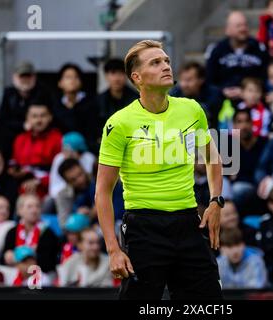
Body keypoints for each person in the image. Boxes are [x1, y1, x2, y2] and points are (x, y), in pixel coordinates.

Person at [96, 40, 224, 300]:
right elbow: (103, 191)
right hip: (143, 228)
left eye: (166, 60)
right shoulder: (119, 123)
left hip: (189, 223)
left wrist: (215, 201)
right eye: (156, 62)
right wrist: (113, 249)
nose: (166, 66)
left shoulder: (191, 109)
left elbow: (213, 158)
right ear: (137, 77)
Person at [206, 11, 268, 101]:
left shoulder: (259, 48)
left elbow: (265, 77)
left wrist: (247, 91)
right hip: (222, 98)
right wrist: (222, 91)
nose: (243, 29)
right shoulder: (217, 50)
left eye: (245, 25)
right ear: (227, 30)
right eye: (238, 26)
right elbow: (210, 80)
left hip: (254, 99)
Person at [8, 101, 62, 198]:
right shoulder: (20, 139)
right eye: (34, 116)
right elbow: (14, 162)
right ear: (27, 119)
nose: (38, 120)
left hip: (47, 191)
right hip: (20, 187)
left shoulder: (57, 139)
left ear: (50, 117)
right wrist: (14, 171)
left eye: (43, 116)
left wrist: (39, 181)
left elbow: (61, 171)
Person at [2, 194, 59, 274]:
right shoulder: (12, 232)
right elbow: (5, 257)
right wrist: (7, 257)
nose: (34, 210)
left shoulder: (48, 233)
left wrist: (23, 261)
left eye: (37, 206)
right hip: (15, 272)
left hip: (39, 274)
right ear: (19, 211)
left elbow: (49, 262)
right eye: (30, 207)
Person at [226, 109, 267, 215]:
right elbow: (225, 173)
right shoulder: (228, 143)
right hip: (235, 187)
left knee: (237, 189)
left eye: (247, 121)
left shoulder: (264, 143)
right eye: (239, 122)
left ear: (252, 123)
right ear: (234, 126)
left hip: (258, 187)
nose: (244, 126)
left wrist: (236, 176)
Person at [0, 61, 51, 136]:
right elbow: (2, 120)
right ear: (14, 77)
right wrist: (22, 125)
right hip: (13, 135)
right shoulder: (9, 94)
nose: (25, 80)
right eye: (22, 76)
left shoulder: (43, 92)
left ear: (34, 77)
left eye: (28, 76)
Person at [52, 63, 97, 150]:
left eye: (76, 77)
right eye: (68, 77)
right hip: (62, 150)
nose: (72, 80)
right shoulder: (56, 106)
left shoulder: (91, 103)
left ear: (81, 82)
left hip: (86, 150)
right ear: (60, 83)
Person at [170, 61, 224, 129]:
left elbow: (206, 115)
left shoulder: (214, 94)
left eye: (188, 80)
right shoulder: (175, 93)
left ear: (201, 80)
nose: (184, 84)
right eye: (181, 80)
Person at [49, 132, 96, 199]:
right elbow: (53, 188)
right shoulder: (59, 158)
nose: (65, 154)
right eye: (64, 150)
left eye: (68, 151)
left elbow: (90, 181)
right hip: (65, 194)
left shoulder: (89, 158)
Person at [96, 58, 139, 132]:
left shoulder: (137, 99)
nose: (117, 78)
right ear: (106, 76)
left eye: (121, 73)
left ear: (127, 76)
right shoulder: (98, 100)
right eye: (113, 73)